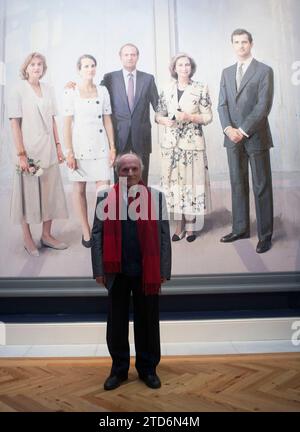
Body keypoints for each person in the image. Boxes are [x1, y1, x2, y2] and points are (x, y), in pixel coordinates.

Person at [91, 152, 171, 390]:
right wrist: (98, 269)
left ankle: (148, 370)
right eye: (125, 169)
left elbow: (165, 236)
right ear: (118, 172)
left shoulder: (156, 198)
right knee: (116, 325)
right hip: (116, 272)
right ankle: (119, 371)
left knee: (148, 323)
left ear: (141, 170)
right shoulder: (105, 197)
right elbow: (97, 234)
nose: (130, 173)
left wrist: (164, 270)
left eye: (134, 168)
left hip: (147, 272)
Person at [218, 29, 274, 254]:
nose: (240, 46)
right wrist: (228, 129)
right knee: (237, 184)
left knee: (261, 186)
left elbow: (263, 106)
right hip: (232, 138)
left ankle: (265, 235)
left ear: (251, 44)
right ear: (232, 45)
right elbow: (222, 104)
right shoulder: (226, 72)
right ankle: (240, 229)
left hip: (256, 136)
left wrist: (242, 130)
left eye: (244, 42)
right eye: (236, 42)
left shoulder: (264, 71)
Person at [8, 52, 68, 256]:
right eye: (32, 64)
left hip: (49, 147)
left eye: (40, 64)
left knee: (50, 194)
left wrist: (59, 146)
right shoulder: (17, 90)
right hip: (29, 150)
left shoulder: (49, 89)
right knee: (28, 194)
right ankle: (27, 238)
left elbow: (52, 120)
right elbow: (14, 123)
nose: (36, 68)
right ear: (26, 68)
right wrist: (21, 153)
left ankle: (46, 235)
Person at [155, 53, 212, 243]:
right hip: (171, 146)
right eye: (180, 64)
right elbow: (158, 115)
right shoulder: (166, 88)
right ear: (174, 68)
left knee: (192, 184)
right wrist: (164, 121)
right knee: (175, 186)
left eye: (187, 64)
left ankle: (190, 226)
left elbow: (208, 117)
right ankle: (178, 225)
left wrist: (190, 117)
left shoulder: (200, 88)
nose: (184, 68)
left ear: (191, 68)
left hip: (192, 145)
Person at [63, 54, 116, 248]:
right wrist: (69, 151)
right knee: (79, 189)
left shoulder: (102, 91)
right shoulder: (71, 92)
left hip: (101, 145)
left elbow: (107, 120)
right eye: (86, 66)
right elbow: (67, 124)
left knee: (104, 192)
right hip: (79, 147)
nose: (90, 69)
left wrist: (112, 147)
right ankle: (86, 232)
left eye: (93, 65)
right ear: (79, 69)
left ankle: (98, 229)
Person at [101, 43, 159, 184]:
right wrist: (75, 86)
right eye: (126, 55)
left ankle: (142, 204)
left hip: (142, 134)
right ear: (120, 57)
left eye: (133, 54)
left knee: (141, 176)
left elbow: (159, 106)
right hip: (119, 135)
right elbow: (96, 96)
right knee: (120, 177)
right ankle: (122, 205)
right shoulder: (110, 78)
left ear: (137, 57)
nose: (129, 58)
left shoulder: (148, 79)